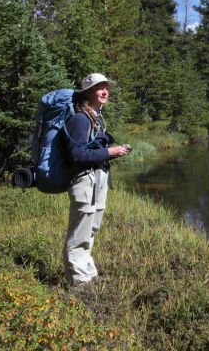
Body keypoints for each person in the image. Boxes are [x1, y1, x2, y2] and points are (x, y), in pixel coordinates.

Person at [63, 73, 129, 287]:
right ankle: (78, 280)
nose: (104, 91)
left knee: (91, 229)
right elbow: (77, 155)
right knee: (79, 231)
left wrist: (111, 152)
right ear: (87, 93)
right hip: (84, 180)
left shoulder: (95, 117)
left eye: (106, 88)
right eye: (98, 88)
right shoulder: (80, 119)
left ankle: (88, 272)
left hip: (98, 178)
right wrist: (110, 152)